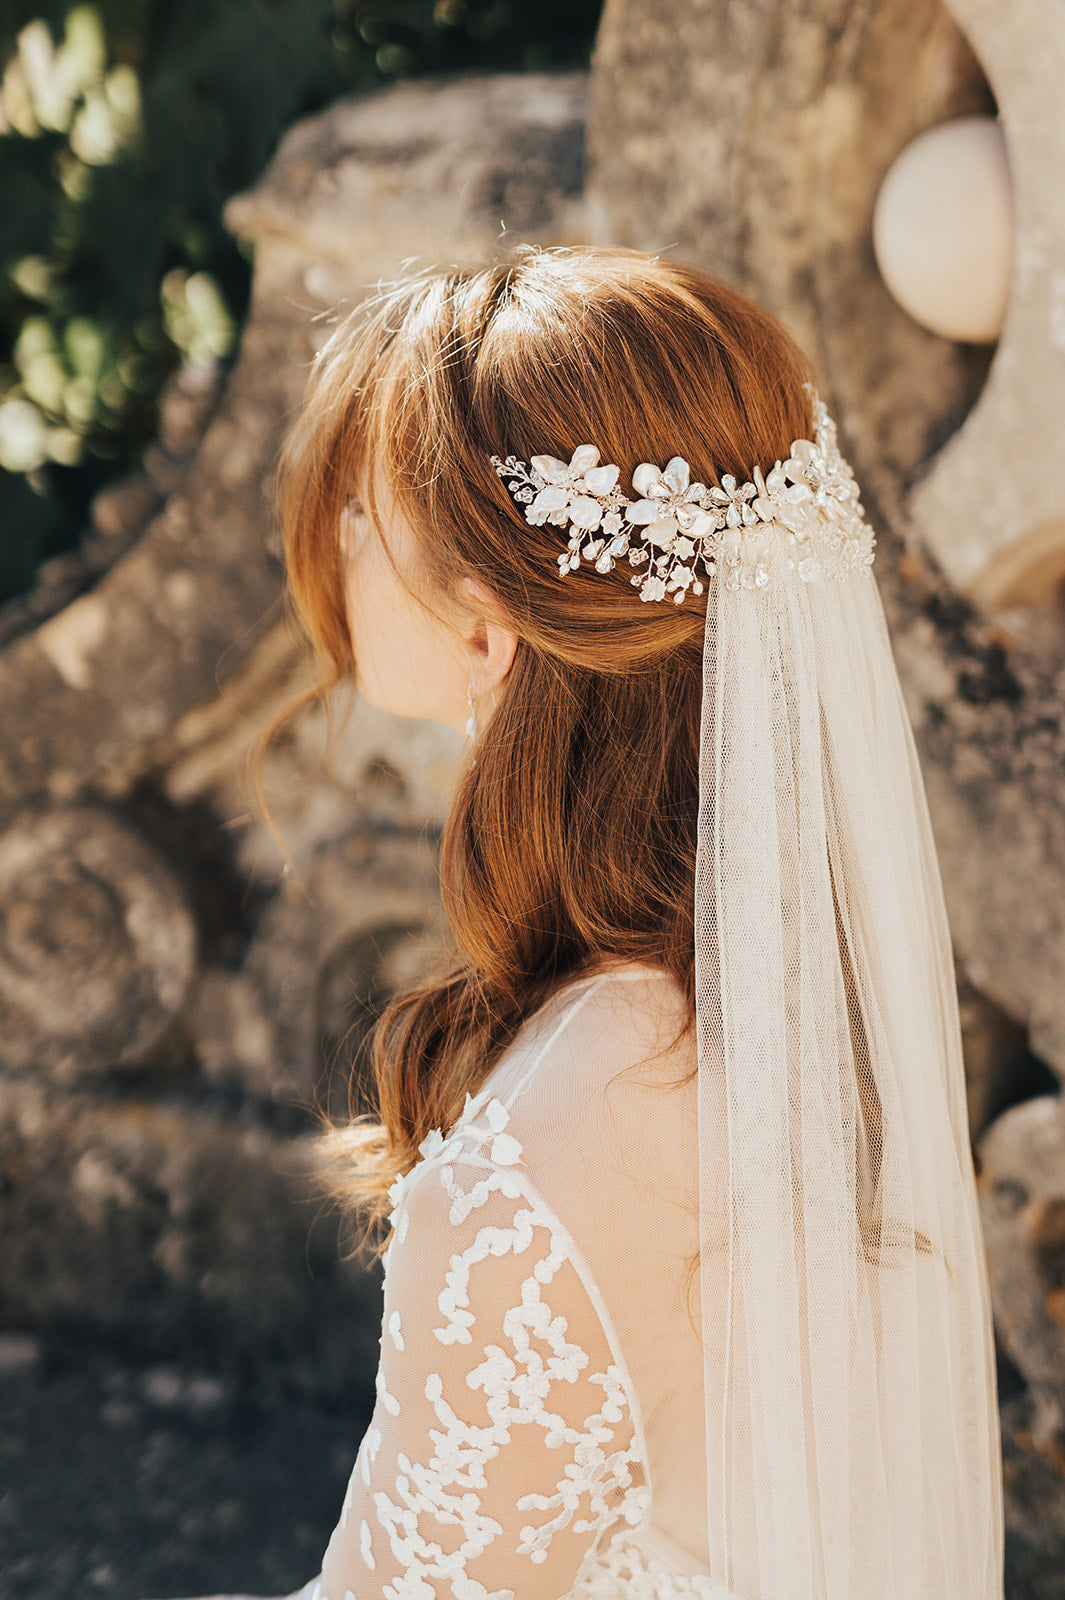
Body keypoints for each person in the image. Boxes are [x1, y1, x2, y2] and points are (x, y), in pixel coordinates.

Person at [175, 247, 1004, 1600]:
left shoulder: (537, 1163)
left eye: (356, 521)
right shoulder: (804, 1003)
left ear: (490, 635)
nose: (330, 550)